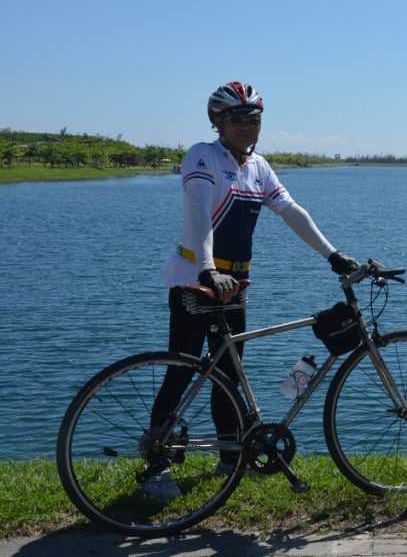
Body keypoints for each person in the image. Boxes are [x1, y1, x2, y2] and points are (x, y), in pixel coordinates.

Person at [144, 81, 358, 499]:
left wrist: (333, 255)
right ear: (218, 122)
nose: (246, 127)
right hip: (197, 281)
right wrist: (206, 268)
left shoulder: (258, 166)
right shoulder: (203, 157)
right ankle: (157, 465)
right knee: (182, 369)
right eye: (237, 120)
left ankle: (231, 457)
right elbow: (199, 214)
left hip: (235, 285)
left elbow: (290, 210)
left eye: (253, 120)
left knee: (228, 374)